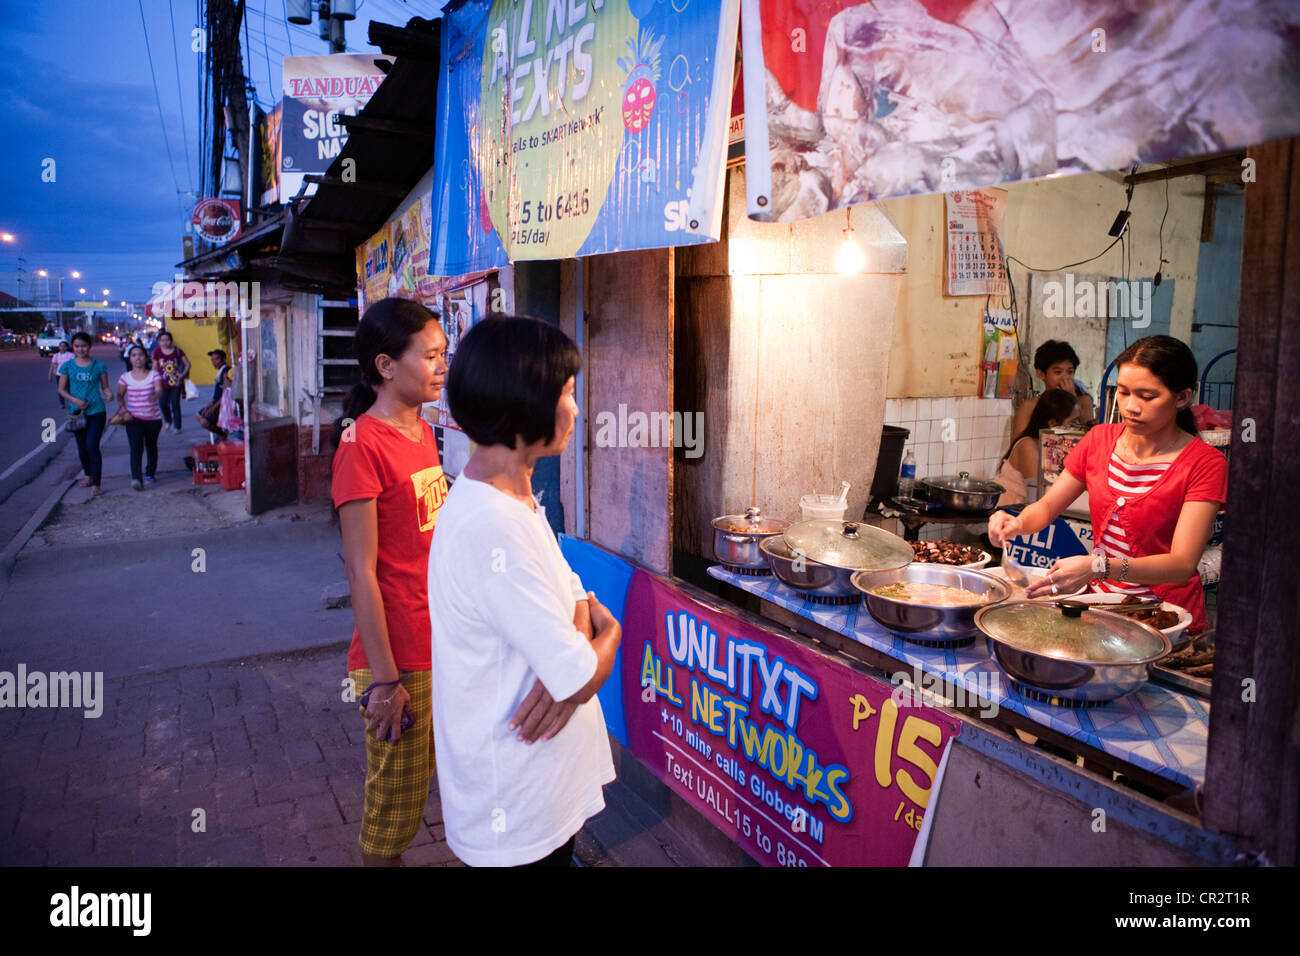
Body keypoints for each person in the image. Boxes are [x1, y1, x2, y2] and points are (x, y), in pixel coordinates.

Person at [428, 316, 621, 868]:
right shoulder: (494, 525)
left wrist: (581, 633)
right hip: (515, 807)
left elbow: (574, 595)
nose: (576, 409)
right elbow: (580, 674)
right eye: (566, 393)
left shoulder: (512, 498)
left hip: (534, 790)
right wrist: (610, 636)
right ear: (525, 402)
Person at [989, 335, 1227, 634]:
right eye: (1124, 393)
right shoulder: (1099, 439)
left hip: (1165, 619)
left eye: (1147, 396)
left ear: (1182, 398)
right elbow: (1048, 505)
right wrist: (1017, 523)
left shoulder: (1205, 463)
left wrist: (1098, 565)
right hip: (1102, 608)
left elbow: (1181, 564)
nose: (1131, 406)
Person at [332, 298, 451, 867]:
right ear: (385, 365)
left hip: (439, 643)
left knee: (435, 792)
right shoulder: (362, 444)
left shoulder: (424, 433)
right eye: (429, 355)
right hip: (397, 658)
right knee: (394, 816)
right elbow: (360, 570)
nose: (441, 366)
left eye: (443, 354)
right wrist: (384, 681)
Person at [995, 388, 1078, 506]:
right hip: (1009, 512)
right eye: (1072, 423)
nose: (1077, 428)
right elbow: (1037, 494)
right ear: (1052, 423)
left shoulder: (1051, 445)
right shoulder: (1027, 445)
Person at [58, 332, 112, 497]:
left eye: (83, 346)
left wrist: (109, 394)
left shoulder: (99, 366)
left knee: (92, 446)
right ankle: (87, 475)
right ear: (72, 347)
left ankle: (97, 483)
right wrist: (75, 400)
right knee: (82, 449)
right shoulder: (67, 366)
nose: (80, 349)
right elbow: (61, 390)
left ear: (89, 346)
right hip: (77, 413)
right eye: (77, 346)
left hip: (96, 411)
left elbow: (105, 387)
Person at [1012, 340, 1096, 439]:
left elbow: (1089, 437)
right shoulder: (1030, 406)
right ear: (1041, 374)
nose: (1065, 378)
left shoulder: (1084, 401)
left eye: (1070, 372)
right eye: (1058, 372)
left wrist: (1072, 400)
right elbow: (1018, 443)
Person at [117, 345, 165, 490]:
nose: (137, 358)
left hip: (153, 419)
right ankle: (136, 478)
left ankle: (150, 473)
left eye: (140, 355)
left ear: (146, 358)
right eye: (134, 355)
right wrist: (124, 410)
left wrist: (156, 395)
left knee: (151, 447)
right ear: (130, 359)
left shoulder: (154, 375)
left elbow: (159, 390)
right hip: (133, 418)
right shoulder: (125, 378)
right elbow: (120, 396)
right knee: (136, 448)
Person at [150, 330, 190, 433]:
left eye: (167, 340)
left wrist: (183, 374)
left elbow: (187, 364)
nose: (165, 342)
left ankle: (177, 427)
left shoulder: (177, 351)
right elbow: (154, 367)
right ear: (159, 341)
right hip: (161, 383)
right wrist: (153, 380)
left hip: (176, 383)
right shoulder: (157, 352)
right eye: (162, 340)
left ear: (171, 341)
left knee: (175, 404)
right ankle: (168, 420)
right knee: (162, 403)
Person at [196, 349, 232, 438]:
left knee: (204, 422)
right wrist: (209, 405)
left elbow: (226, 393)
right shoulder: (220, 372)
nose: (214, 362)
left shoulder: (226, 372)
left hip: (222, 405)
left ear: (223, 359)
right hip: (216, 403)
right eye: (212, 360)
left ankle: (222, 435)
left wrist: (213, 407)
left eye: (216, 359)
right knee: (199, 414)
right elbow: (217, 394)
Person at [48, 340, 74, 409]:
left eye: (64, 346)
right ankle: (62, 403)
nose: (62, 348)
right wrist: (50, 375)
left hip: (69, 375)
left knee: (70, 390)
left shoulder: (71, 355)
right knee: (61, 390)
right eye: (61, 346)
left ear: (67, 347)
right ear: (59, 347)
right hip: (59, 375)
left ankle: (72, 403)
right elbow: (52, 365)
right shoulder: (56, 355)